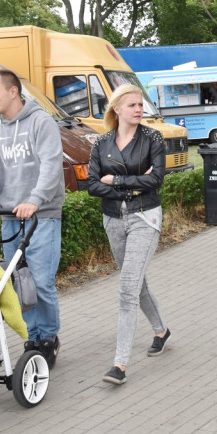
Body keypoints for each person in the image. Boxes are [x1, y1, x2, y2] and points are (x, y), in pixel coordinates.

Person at [0, 69, 65, 368]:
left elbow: (51, 166)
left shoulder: (41, 122)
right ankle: (32, 336)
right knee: (19, 283)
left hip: (42, 215)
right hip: (10, 216)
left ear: (13, 92)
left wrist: (34, 200)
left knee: (41, 281)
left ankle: (48, 337)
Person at [88, 84, 170, 386]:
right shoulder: (101, 143)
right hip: (113, 219)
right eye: (132, 105)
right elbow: (92, 184)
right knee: (136, 282)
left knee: (127, 290)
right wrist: (135, 181)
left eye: (140, 105)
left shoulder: (153, 139)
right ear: (117, 109)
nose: (139, 109)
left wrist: (118, 179)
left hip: (144, 216)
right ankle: (161, 330)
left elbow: (157, 179)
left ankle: (119, 365)